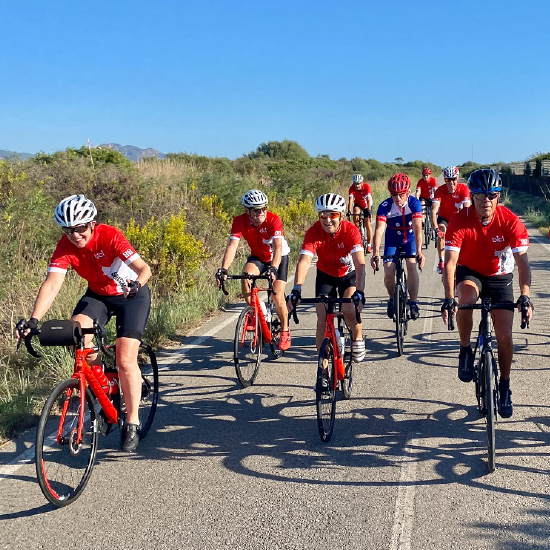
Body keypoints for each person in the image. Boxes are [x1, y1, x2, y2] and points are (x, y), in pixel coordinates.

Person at [16, 194, 152, 452]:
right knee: (76, 334)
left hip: (130, 295)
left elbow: (144, 268)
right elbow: (53, 283)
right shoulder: (65, 246)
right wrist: (35, 319)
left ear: (92, 223)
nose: (75, 235)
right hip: (98, 295)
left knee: (125, 358)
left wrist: (138, 283)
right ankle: (104, 389)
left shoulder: (110, 236)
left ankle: (132, 420)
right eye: (68, 230)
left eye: (80, 228)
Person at [441, 169, 533, 418]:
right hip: (470, 271)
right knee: (466, 300)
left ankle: (504, 385)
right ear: (472, 195)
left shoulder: (510, 221)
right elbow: (450, 263)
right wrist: (449, 299)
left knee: (504, 335)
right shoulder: (460, 220)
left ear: (498, 196)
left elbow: (523, 264)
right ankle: (465, 348)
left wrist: (524, 296)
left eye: (491, 195)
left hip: (500, 276)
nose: (486, 201)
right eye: (480, 195)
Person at [287, 193, 366, 362]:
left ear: (342, 216)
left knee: (349, 310)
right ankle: (322, 367)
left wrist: (359, 292)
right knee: (322, 320)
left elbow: (360, 264)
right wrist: (296, 288)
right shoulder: (314, 232)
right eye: (323, 215)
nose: (327, 220)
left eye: (333, 215)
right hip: (326, 276)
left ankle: (357, 337)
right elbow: (304, 261)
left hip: (347, 275)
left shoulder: (351, 231)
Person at [216, 189, 291, 350]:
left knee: (277, 295)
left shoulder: (273, 220)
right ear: (246, 211)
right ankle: (255, 313)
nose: (261, 213)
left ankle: (285, 330)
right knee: (245, 278)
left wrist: (273, 268)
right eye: (256, 210)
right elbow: (232, 246)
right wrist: (224, 269)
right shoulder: (239, 221)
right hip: (258, 257)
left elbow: (278, 248)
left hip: (277, 257)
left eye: (263, 208)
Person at [370, 173, 425, 320]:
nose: (398, 199)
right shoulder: (384, 206)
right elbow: (379, 230)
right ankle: (392, 299)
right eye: (394, 195)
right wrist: (375, 253)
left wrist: (419, 251)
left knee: (411, 265)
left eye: (401, 194)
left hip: (410, 239)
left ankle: (413, 302)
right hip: (392, 240)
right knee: (388, 271)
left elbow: (418, 229)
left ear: (408, 192)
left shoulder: (414, 204)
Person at [431, 166, 471, 274]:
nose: (451, 182)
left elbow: (467, 209)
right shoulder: (440, 190)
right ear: (445, 180)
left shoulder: (463, 189)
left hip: (458, 218)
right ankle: (441, 260)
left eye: (454, 179)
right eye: (448, 180)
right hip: (444, 218)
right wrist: (434, 227)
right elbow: (434, 210)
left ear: (457, 178)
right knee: (441, 231)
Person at [347, 173, 373, 253]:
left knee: (368, 224)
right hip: (358, 204)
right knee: (355, 212)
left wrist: (369, 211)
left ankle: (369, 245)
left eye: (358, 184)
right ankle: (358, 229)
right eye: (355, 184)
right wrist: (349, 211)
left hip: (367, 205)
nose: (357, 186)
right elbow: (351, 200)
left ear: (362, 182)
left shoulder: (366, 186)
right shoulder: (351, 188)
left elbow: (368, 199)